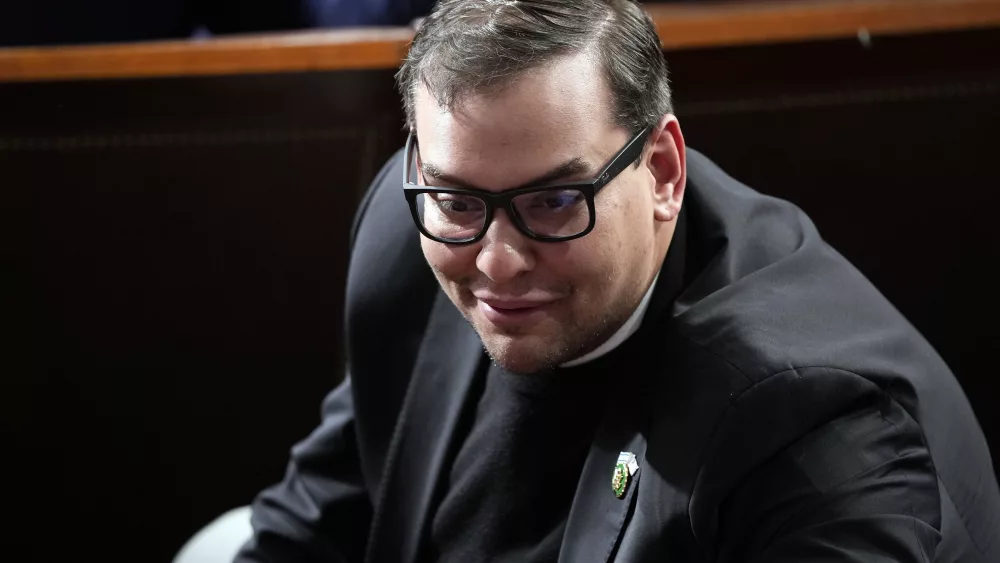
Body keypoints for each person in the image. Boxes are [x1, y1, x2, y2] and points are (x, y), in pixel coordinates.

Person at [236, 1, 1000, 561]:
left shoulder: (815, 432)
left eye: (555, 200)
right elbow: (317, 522)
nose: (496, 259)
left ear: (661, 170)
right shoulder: (412, 234)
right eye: (458, 199)